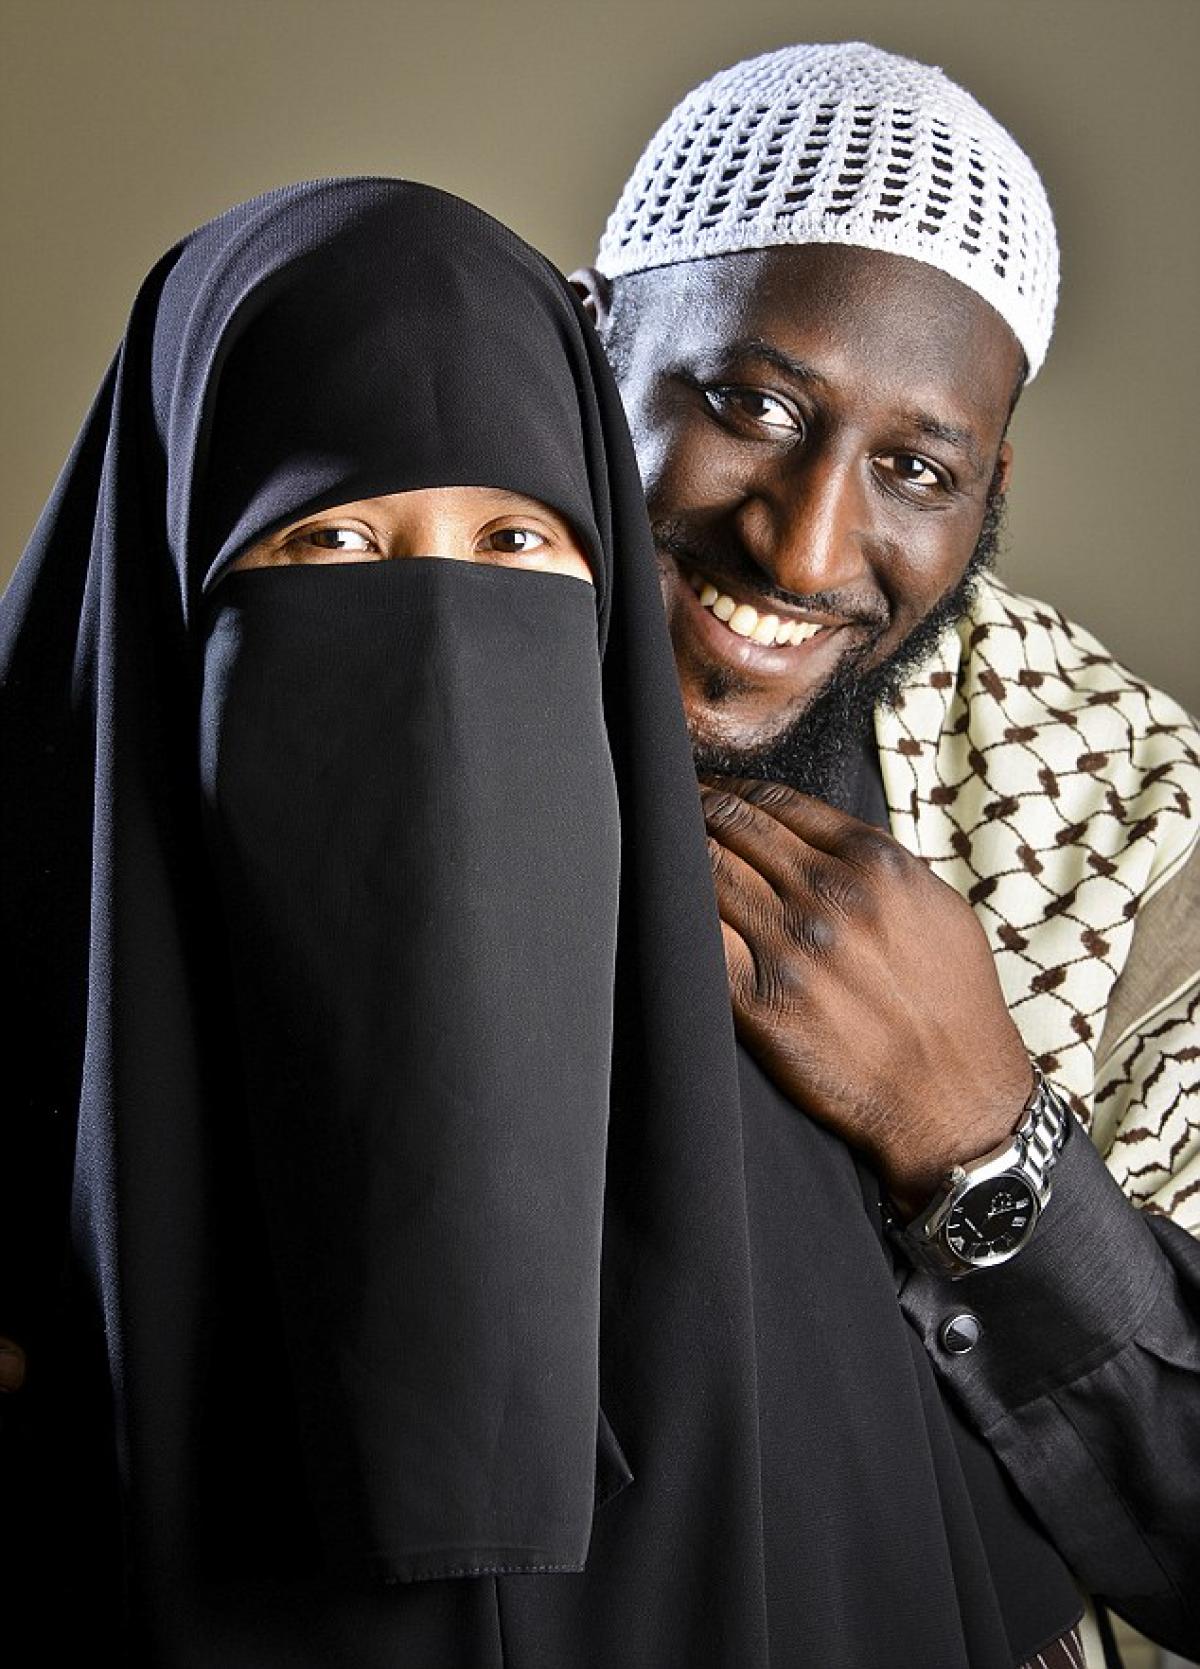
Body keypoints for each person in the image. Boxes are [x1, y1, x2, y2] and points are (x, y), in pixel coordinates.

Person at [2, 179, 1100, 1668]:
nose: (442, 654)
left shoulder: (805, 1021)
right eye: (332, 546)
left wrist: (982, 1138)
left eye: (517, 545)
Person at [570, 40, 1200, 1662]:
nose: (804, 545)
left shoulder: (1128, 820)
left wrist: (980, 1133)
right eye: (752, 405)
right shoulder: (358, 614)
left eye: (915, 469)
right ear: (590, 335)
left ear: (991, 486)